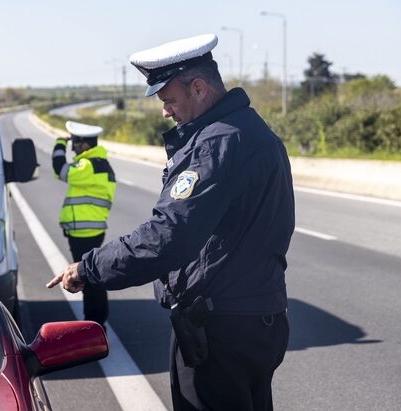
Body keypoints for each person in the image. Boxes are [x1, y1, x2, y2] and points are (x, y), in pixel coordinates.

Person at [47, 33, 295, 411]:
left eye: (169, 100)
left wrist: (90, 268)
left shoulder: (216, 144)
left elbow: (167, 236)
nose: (165, 111)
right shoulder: (252, 132)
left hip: (219, 328)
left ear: (198, 88)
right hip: (258, 317)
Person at [52, 121, 116, 327]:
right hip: (88, 230)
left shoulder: (89, 166)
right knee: (89, 276)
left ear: (85, 146)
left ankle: (95, 324)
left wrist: (59, 144)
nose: (73, 148)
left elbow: (59, 170)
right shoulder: (96, 164)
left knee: (89, 278)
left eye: (75, 144)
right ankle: (95, 322)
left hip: (86, 232)